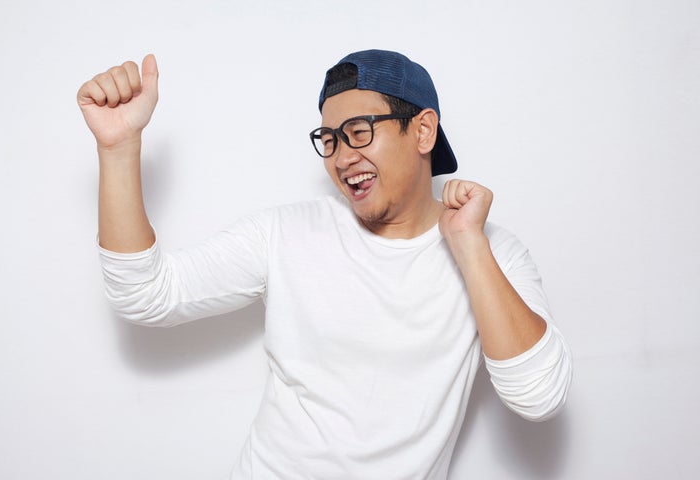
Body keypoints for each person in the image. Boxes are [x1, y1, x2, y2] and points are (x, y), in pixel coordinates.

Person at [77, 49, 572, 479]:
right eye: (329, 139)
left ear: (422, 131)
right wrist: (118, 149)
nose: (340, 157)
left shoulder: (493, 252)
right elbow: (144, 295)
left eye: (359, 132)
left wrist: (467, 243)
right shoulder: (286, 234)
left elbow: (540, 396)